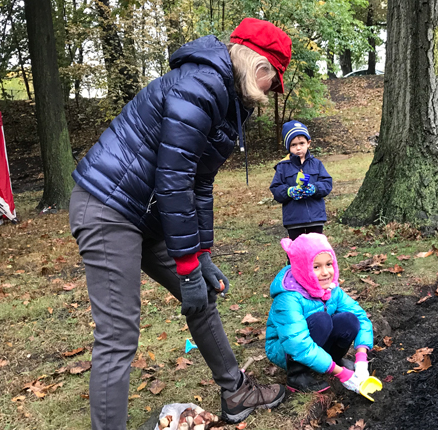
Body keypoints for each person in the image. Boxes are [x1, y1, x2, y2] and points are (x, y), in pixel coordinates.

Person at [69, 17, 292, 430]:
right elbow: (172, 181)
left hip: (147, 213)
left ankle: (236, 391)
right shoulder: (201, 85)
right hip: (108, 207)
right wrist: (186, 264)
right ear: (256, 64)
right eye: (273, 81)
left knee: (201, 295)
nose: (271, 92)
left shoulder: (227, 99)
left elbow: (199, 184)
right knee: (119, 334)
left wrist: (201, 257)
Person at [265, 233, 373, 394]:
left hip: (315, 339)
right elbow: (296, 343)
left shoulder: (331, 288)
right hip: (286, 349)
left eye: (329, 264)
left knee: (349, 320)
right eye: (316, 267)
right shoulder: (288, 298)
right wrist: (341, 373)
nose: (325, 272)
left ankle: (334, 360)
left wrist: (362, 359)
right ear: (302, 268)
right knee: (322, 320)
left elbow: (359, 317)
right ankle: (297, 376)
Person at [269, 121, 332, 241]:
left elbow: (327, 183)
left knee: (316, 249)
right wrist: (289, 191)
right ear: (288, 147)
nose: (298, 148)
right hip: (294, 219)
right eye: (293, 145)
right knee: (296, 250)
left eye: (301, 143)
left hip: (316, 218)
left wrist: (314, 189)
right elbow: (276, 188)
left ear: (308, 143)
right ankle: (292, 261)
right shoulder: (282, 166)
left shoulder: (317, 164)